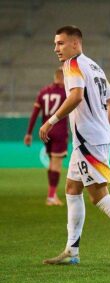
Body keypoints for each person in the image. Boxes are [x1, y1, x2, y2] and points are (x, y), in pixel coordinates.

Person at [40, 26, 110, 265]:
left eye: (60, 43)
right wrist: (102, 129)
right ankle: (72, 251)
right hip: (93, 138)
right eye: (55, 43)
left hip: (87, 140)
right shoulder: (94, 66)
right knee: (72, 189)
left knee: (99, 196)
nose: (56, 48)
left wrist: (51, 121)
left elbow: (76, 96)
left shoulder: (71, 65)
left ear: (74, 43)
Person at [25, 68, 68, 206]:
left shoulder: (43, 92)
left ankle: (51, 195)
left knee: (51, 163)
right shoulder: (66, 92)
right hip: (60, 131)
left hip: (46, 131)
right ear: (62, 77)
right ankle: (51, 196)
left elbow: (34, 113)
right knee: (56, 163)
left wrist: (29, 133)